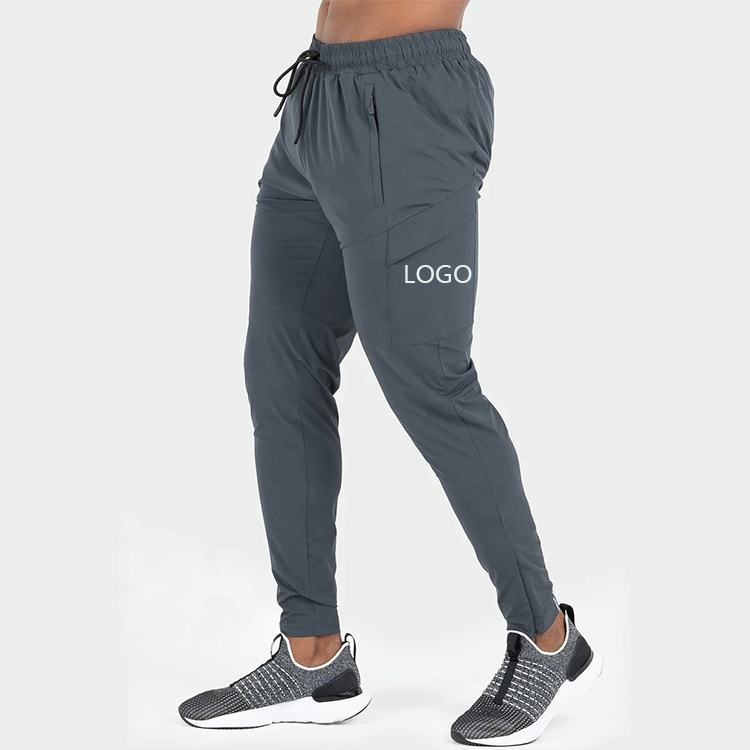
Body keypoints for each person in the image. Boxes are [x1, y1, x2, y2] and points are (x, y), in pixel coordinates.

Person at [179, 1, 601, 744]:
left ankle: (545, 635)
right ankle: (312, 654)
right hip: (316, 100)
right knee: (280, 369)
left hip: (411, 111)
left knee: (430, 378)